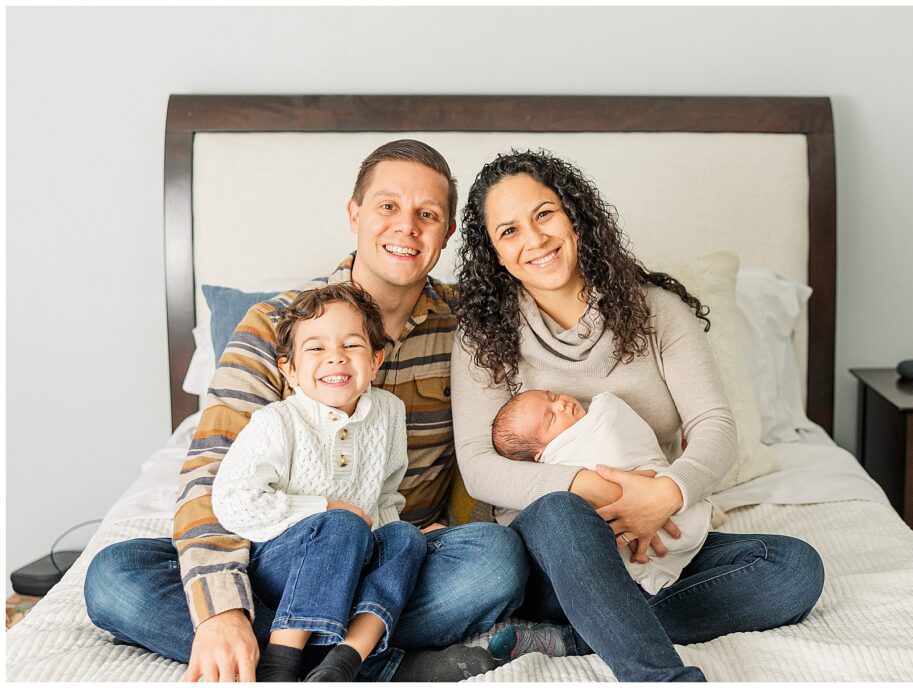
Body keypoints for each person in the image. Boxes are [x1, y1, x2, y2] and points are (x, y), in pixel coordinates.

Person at [85, 140, 528, 683]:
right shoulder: (274, 324)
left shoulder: (473, 327)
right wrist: (222, 612)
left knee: (496, 561)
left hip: (393, 560)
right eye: (387, 206)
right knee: (115, 576)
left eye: (427, 214)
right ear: (354, 213)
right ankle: (370, 659)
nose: (406, 227)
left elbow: (557, 338)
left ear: (448, 233)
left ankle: (287, 658)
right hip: (275, 557)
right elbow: (211, 473)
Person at [451, 150, 825, 682]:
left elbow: (715, 426)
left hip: (658, 538)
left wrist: (665, 495)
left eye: (544, 214)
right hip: (554, 556)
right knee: (562, 511)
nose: (533, 239)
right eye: (509, 230)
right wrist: (603, 493)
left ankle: (580, 635)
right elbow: (479, 466)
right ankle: (659, 677)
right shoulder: (484, 337)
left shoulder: (657, 311)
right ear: (495, 253)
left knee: (793, 571)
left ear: (574, 214)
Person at [211, 283, 427, 682]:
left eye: (351, 345)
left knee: (407, 538)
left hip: (356, 563)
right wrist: (327, 509)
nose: (336, 359)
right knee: (343, 524)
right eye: (316, 349)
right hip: (284, 565)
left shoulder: (389, 413)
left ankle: (343, 661)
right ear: (288, 370)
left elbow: (384, 496)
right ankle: (281, 661)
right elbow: (232, 501)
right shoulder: (278, 421)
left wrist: (392, 544)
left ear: (376, 359)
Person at [490, 389, 715, 596]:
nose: (561, 405)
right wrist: (627, 499)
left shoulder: (603, 413)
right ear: (540, 454)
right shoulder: (557, 461)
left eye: (552, 396)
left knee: (751, 560)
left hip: (672, 498)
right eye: (550, 418)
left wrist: (663, 494)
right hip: (612, 557)